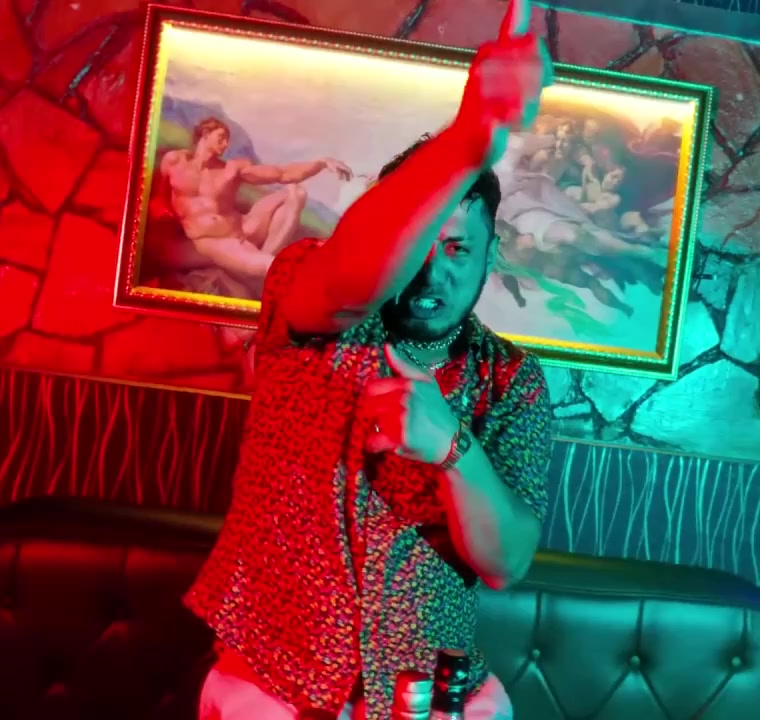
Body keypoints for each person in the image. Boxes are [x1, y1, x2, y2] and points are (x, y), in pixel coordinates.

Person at [183, 1, 554, 718]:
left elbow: (505, 562)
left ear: (489, 256)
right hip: (273, 686)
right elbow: (351, 284)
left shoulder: (511, 381)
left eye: (459, 249)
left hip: (430, 698)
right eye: (420, 245)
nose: (433, 270)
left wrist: (451, 448)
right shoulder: (311, 293)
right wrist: (470, 139)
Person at [152, 116, 353, 289]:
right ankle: (274, 266)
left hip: (244, 228)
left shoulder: (231, 169)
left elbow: (282, 174)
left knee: (295, 192)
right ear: (205, 134)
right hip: (214, 242)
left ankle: (262, 258)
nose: (225, 145)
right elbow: (159, 196)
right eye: (221, 138)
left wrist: (321, 164)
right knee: (270, 265)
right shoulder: (174, 161)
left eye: (227, 140)